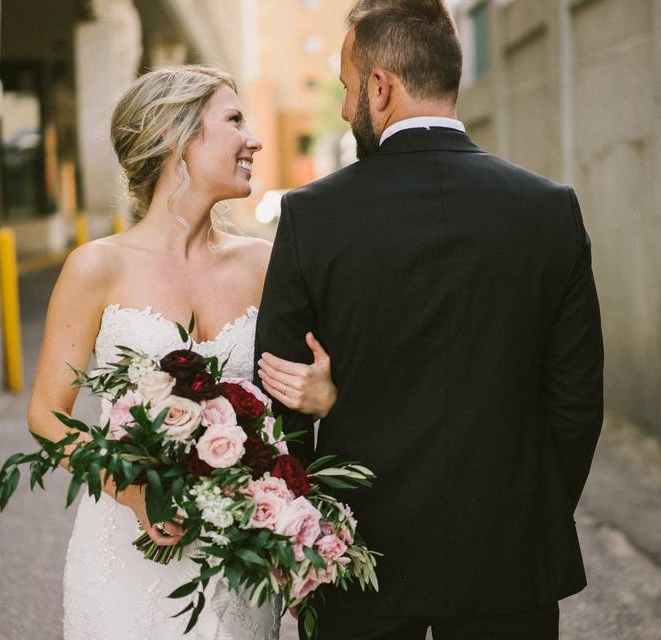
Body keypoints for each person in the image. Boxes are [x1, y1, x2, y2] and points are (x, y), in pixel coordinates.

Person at [254, 0, 605, 638]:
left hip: (359, 563)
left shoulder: (313, 217)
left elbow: (279, 397)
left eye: (346, 89)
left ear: (380, 88)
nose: (342, 108)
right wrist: (531, 512)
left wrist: (317, 517)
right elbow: (577, 401)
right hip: (509, 558)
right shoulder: (548, 210)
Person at [26, 65, 337, 640]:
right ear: (176, 137)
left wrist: (324, 396)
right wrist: (135, 491)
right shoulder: (96, 267)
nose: (255, 139)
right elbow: (47, 414)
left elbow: (292, 405)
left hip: (241, 561)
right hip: (126, 556)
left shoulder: (266, 265)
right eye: (235, 121)